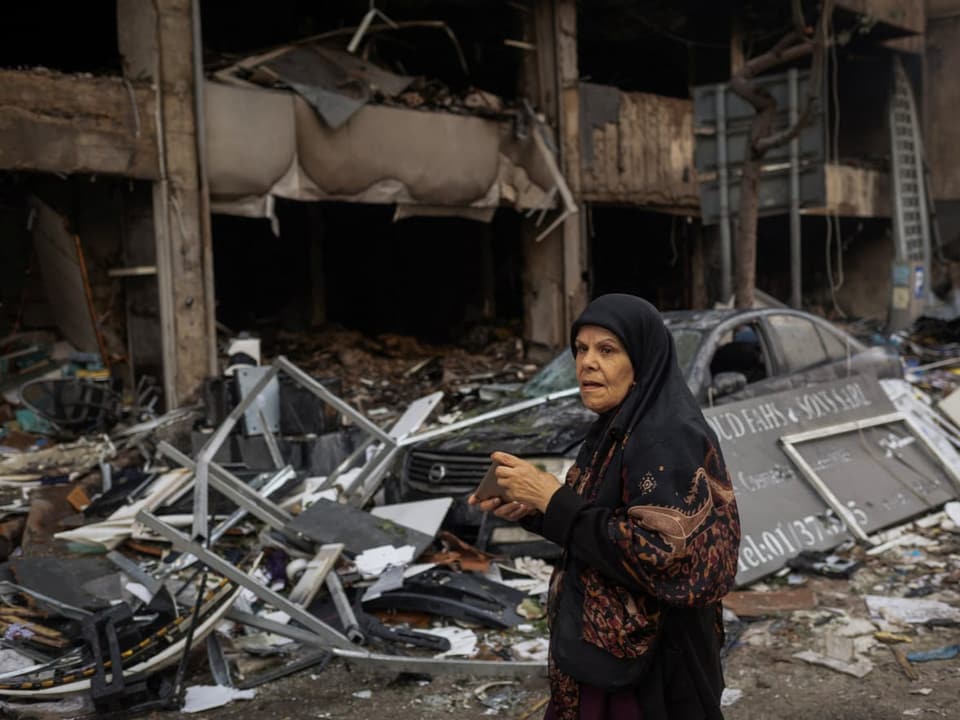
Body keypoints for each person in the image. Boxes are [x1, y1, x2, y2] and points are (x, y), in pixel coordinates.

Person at [469, 293, 741, 719]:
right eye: (581, 349)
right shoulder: (618, 427)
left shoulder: (666, 438)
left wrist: (552, 498)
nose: (586, 363)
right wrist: (536, 510)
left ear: (642, 361)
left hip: (653, 669)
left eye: (607, 350)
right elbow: (599, 519)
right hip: (607, 651)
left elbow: (661, 558)